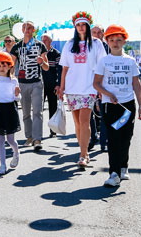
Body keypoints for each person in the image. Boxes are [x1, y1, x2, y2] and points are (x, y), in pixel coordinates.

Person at [93, 24, 141, 187]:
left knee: (126, 138)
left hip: (127, 106)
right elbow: (96, 84)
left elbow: (136, 84)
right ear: (107, 41)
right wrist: (108, 94)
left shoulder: (130, 62)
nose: (115, 43)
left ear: (124, 42)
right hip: (111, 105)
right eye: (112, 40)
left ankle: (124, 166)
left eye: (119, 40)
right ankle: (114, 173)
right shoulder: (103, 61)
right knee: (114, 139)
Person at [58, 12, 107, 168]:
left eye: (83, 24)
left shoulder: (97, 44)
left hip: (89, 87)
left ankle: (84, 155)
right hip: (72, 88)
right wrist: (62, 88)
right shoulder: (69, 44)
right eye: (78, 25)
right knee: (78, 123)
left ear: (88, 26)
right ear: (75, 26)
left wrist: (101, 87)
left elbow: (102, 66)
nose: (81, 27)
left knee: (85, 121)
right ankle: (83, 150)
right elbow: (65, 69)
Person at [10, 21, 49, 151]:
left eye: (30, 27)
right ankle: (29, 137)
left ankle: (38, 139)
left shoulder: (40, 45)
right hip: (22, 83)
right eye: (25, 27)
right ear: (22, 30)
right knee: (26, 112)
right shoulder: (17, 46)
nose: (27, 29)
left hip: (37, 83)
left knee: (37, 111)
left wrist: (42, 61)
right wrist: (11, 81)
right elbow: (12, 65)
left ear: (34, 30)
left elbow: (47, 67)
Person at [91, 24, 109, 151]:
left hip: (104, 85)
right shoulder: (86, 47)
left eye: (99, 32)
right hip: (89, 85)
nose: (97, 34)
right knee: (89, 113)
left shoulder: (109, 48)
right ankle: (92, 137)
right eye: (94, 32)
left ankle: (103, 141)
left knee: (104, 114)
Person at [41, 33, 62, 138]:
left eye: (46, 40)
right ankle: (37, 132)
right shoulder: (39, 53)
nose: (43, 42)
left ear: (50, 41)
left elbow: (59, 69)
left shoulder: (56, 53)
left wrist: (58, 84)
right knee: (38, 109)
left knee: (52, 108)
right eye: (42, 40)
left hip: (52, 84)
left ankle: (53, 130)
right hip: (40, 85)